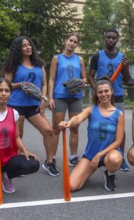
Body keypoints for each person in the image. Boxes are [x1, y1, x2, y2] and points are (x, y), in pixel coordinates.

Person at [3, 36, 58, 177]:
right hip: (16, 104)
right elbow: (6, 85)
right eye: (24, 46)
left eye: (29, 45)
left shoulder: (39, 64)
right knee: (18, 134)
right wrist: (21, 84)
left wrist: (43, 101)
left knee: (48, 131)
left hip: (34, 104)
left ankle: (49, 162)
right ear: (18, 49)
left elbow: (44, 83)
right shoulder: (13, 65)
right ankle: (17, 164)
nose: (28, 47)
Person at [59, 77, 124, 192]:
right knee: (71, 186)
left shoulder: (119, 114)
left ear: (112, 92)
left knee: (114, 159)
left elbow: (118, 141)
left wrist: (100, 155)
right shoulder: (91, 110)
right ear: (96, 94)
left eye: (106, 91)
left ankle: (110, 174)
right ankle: (86, 174)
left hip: (109, 153)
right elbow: (78, 118)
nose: (104, 94)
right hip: (91, 155)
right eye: (100, 92)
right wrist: (68, 123)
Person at [88, 29, 131, 172]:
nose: (111, 40)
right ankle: (93, 155)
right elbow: (90, 76)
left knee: (120, 130)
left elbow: (127, 80)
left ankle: (121, 157)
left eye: (114, 38)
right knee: (97, 127)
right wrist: (96, 89)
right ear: (105, 38)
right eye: (108, 37)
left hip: (117, 95)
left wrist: (126, 67)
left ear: (117, 40)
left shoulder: (122, 57)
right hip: (102, 96)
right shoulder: (97, 56)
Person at [48, 33, 87, 167]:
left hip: (75, 97)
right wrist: (50, 97)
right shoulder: (56, 58)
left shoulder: (80, 60)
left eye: (75, 42)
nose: (72, 43)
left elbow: (85, 78)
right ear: (65, 41)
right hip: (60, 96)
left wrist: (82, 83)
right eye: (70, 40)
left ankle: (73, 156)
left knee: (74, 128)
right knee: (57, 129)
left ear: (77, 45)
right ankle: (51, 159)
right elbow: (51, 79)